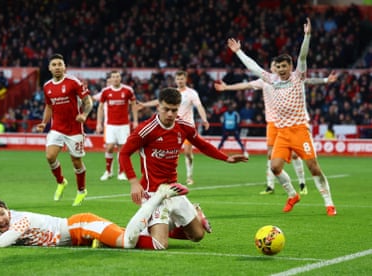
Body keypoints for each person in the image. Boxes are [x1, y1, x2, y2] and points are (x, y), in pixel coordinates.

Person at [227, 18, 336, 216]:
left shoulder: (298, 76)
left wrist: (307, 36)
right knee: (275, 167)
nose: (282, 69)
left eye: (285, 66)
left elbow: (303, 56)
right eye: (279, 66)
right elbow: (253, 67)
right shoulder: (271, 79)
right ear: (275, 68)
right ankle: (293, 195)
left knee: (313, 167)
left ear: (290, 65)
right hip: (283, 132)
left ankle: (329, 203)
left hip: (300, 129)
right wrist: (238, 52)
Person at [119, 88, 248, 249]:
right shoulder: (146, 129)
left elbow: (202, 144)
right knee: (159, 244)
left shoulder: (183, 126)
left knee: (197, 235)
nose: (170, 114)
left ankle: (167, 225)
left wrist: (226, 158)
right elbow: (123, 153)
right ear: (158, 106)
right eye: (166, 109)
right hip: (153, 193)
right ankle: (121, 237)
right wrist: (133, 182)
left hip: (174, 190)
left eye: (174, 110)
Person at [0, 184, 188, 249]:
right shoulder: (0, 228)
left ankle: (158, 198)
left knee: (129, 243)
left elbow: (2, 242)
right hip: (80, 233)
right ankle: (180, 224)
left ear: (8, 210)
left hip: (81, 225)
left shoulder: (19, 221)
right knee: (144, 240)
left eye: (1, 214)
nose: (0, 220)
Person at [215, 63, 338, 195]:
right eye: (274, 66)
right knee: (270, 156)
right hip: (273, 123)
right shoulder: (265, 81)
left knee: (296, 154)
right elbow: (245, 85)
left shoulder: (288, 80)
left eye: (277, 66)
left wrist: (325, 80)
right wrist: (227, 87)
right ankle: (270, 186)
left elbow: (306, 81)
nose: (275, 68)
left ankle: (302, 183)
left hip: (289, 122)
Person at [36, 53, 93, 206]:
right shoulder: (47, 86)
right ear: (49, 68)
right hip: (57, 128)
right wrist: (44, 122)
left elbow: (88, 101)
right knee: (50, 156)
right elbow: (49, 106)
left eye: (60, 64)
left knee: (76, 161)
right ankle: (61, 181)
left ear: (64, 67)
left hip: (74, 129)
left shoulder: (73, 82)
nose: (57, 67)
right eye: (54, 65)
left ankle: (81, 191)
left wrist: (84, 114)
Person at [138, 71, 210, 185]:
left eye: (182, 79)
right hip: (172, 127)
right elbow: (159, 101)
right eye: (178, 79)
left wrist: (204, 119)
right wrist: (145, 104)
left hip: (186, 128)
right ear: (175, 80)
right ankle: (165, 177)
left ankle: (189, 176)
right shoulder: (172, 92)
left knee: (187, 153)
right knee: (167, 152)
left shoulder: (192, 93)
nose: (180, 81)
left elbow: (199, 106)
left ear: (186, 79)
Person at [96, 70, 138, 181]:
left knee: (122, 149)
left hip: (124, 125)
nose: (115, 79)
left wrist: (135, 120)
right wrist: (99, 123)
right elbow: (100, 108)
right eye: (113, 77)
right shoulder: (105, 91)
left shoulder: (128, 90)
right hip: (110, 125)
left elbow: (134, 106)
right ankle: (108, 171)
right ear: (111, 79)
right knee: (109, 147)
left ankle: (121, 173)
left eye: (117, 76)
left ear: (120, 78)